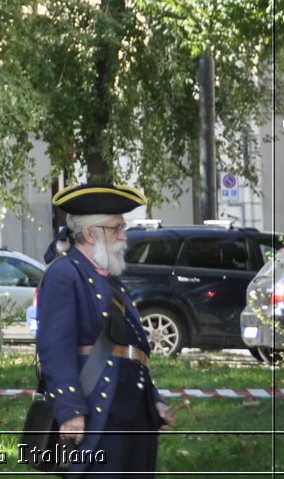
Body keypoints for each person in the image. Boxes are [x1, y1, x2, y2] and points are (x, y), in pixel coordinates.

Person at [34, 182, 175, 475]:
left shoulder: (111, 281)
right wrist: (70, 409)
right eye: (117, 228)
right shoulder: (64, 274)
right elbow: (55, 349)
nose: (124, 236)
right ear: (89, 233)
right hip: (96, 405)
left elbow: (133, 351)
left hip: (131, 409)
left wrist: (154, 401)